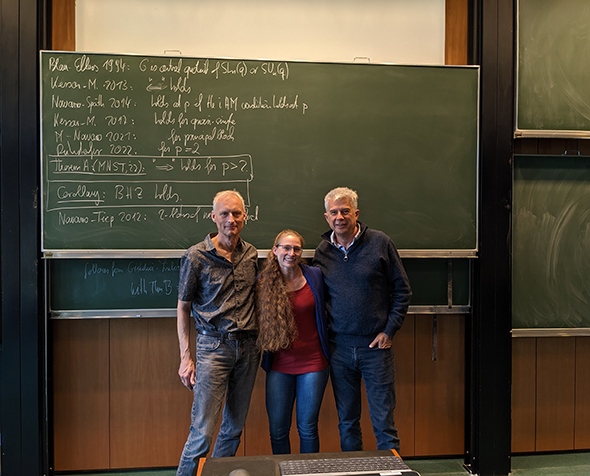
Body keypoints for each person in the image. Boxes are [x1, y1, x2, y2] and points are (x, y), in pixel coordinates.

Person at [313, 186, 412, 452]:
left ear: (356, 213)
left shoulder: (380, 243)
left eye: (345, 211)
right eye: (333, 212)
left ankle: (391, 471)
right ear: (326, 216)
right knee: (347, 422)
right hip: (339, 350)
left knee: (384, 423)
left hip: (376, 348)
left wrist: (390, 330)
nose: (339, 217)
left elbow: (402, 290)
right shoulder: (322, 251)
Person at [176, 190, 260, 476]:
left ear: (244, 217)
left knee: (233, 429)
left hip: (249, 350)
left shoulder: (251, 254)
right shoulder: (196, 256)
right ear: (213, 217)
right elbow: (182, 307)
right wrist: (186, 358)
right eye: (224, 213)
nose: (231, 219)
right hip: (213, 348)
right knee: (202, 432)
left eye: (236, 213)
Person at [256, 230, 329, 454]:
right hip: (279, 365)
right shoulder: (263, 281)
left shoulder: (315, 276)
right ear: (275, 250)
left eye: (297, 248)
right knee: (278, 431)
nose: (292, 253)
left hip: (314, 364)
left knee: (307, 429)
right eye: (286, 248)